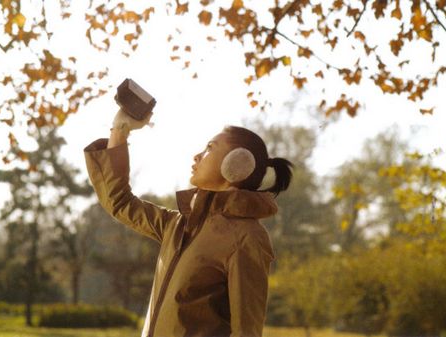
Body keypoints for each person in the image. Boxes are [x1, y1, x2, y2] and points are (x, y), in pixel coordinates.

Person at [83, 109, 293, 337]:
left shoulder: (247, 237)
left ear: (238, 163)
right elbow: (120, 202)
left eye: (210, 148)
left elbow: (246, 332)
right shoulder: (177, 224)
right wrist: (120, 130)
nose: (197, 155)